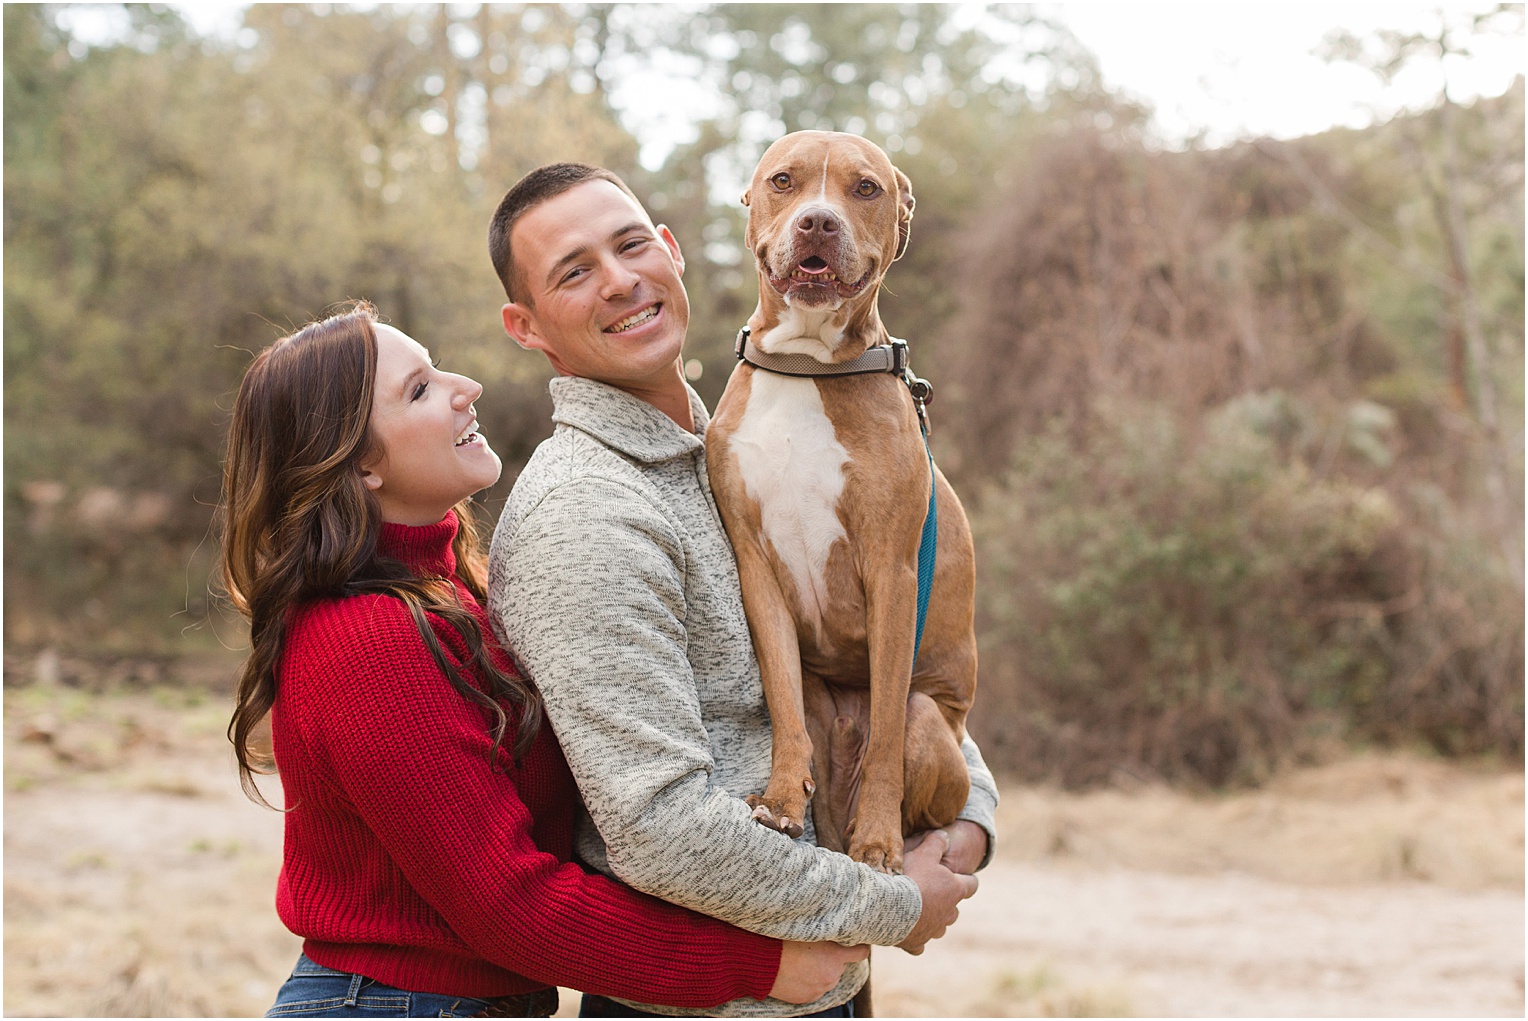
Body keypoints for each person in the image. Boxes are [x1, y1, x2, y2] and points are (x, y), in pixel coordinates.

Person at [220, 303, 886, 1018]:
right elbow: (509, 900)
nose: (464, 385)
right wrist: (759, 960)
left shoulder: (455, 592)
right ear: (359, 462)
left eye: (438, 366)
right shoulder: (366, 639)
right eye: (418, 389)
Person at [485, 164, 996, 1018]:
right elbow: (657, 828)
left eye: (631, 244)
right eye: (574, 272)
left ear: (675, 252)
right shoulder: (584, 509)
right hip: (706, 1003)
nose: (619, 280)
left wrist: (966, 824)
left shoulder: (727, 440)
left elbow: (894, 666)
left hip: (822, 979)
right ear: (524, 325)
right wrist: (897, 901)